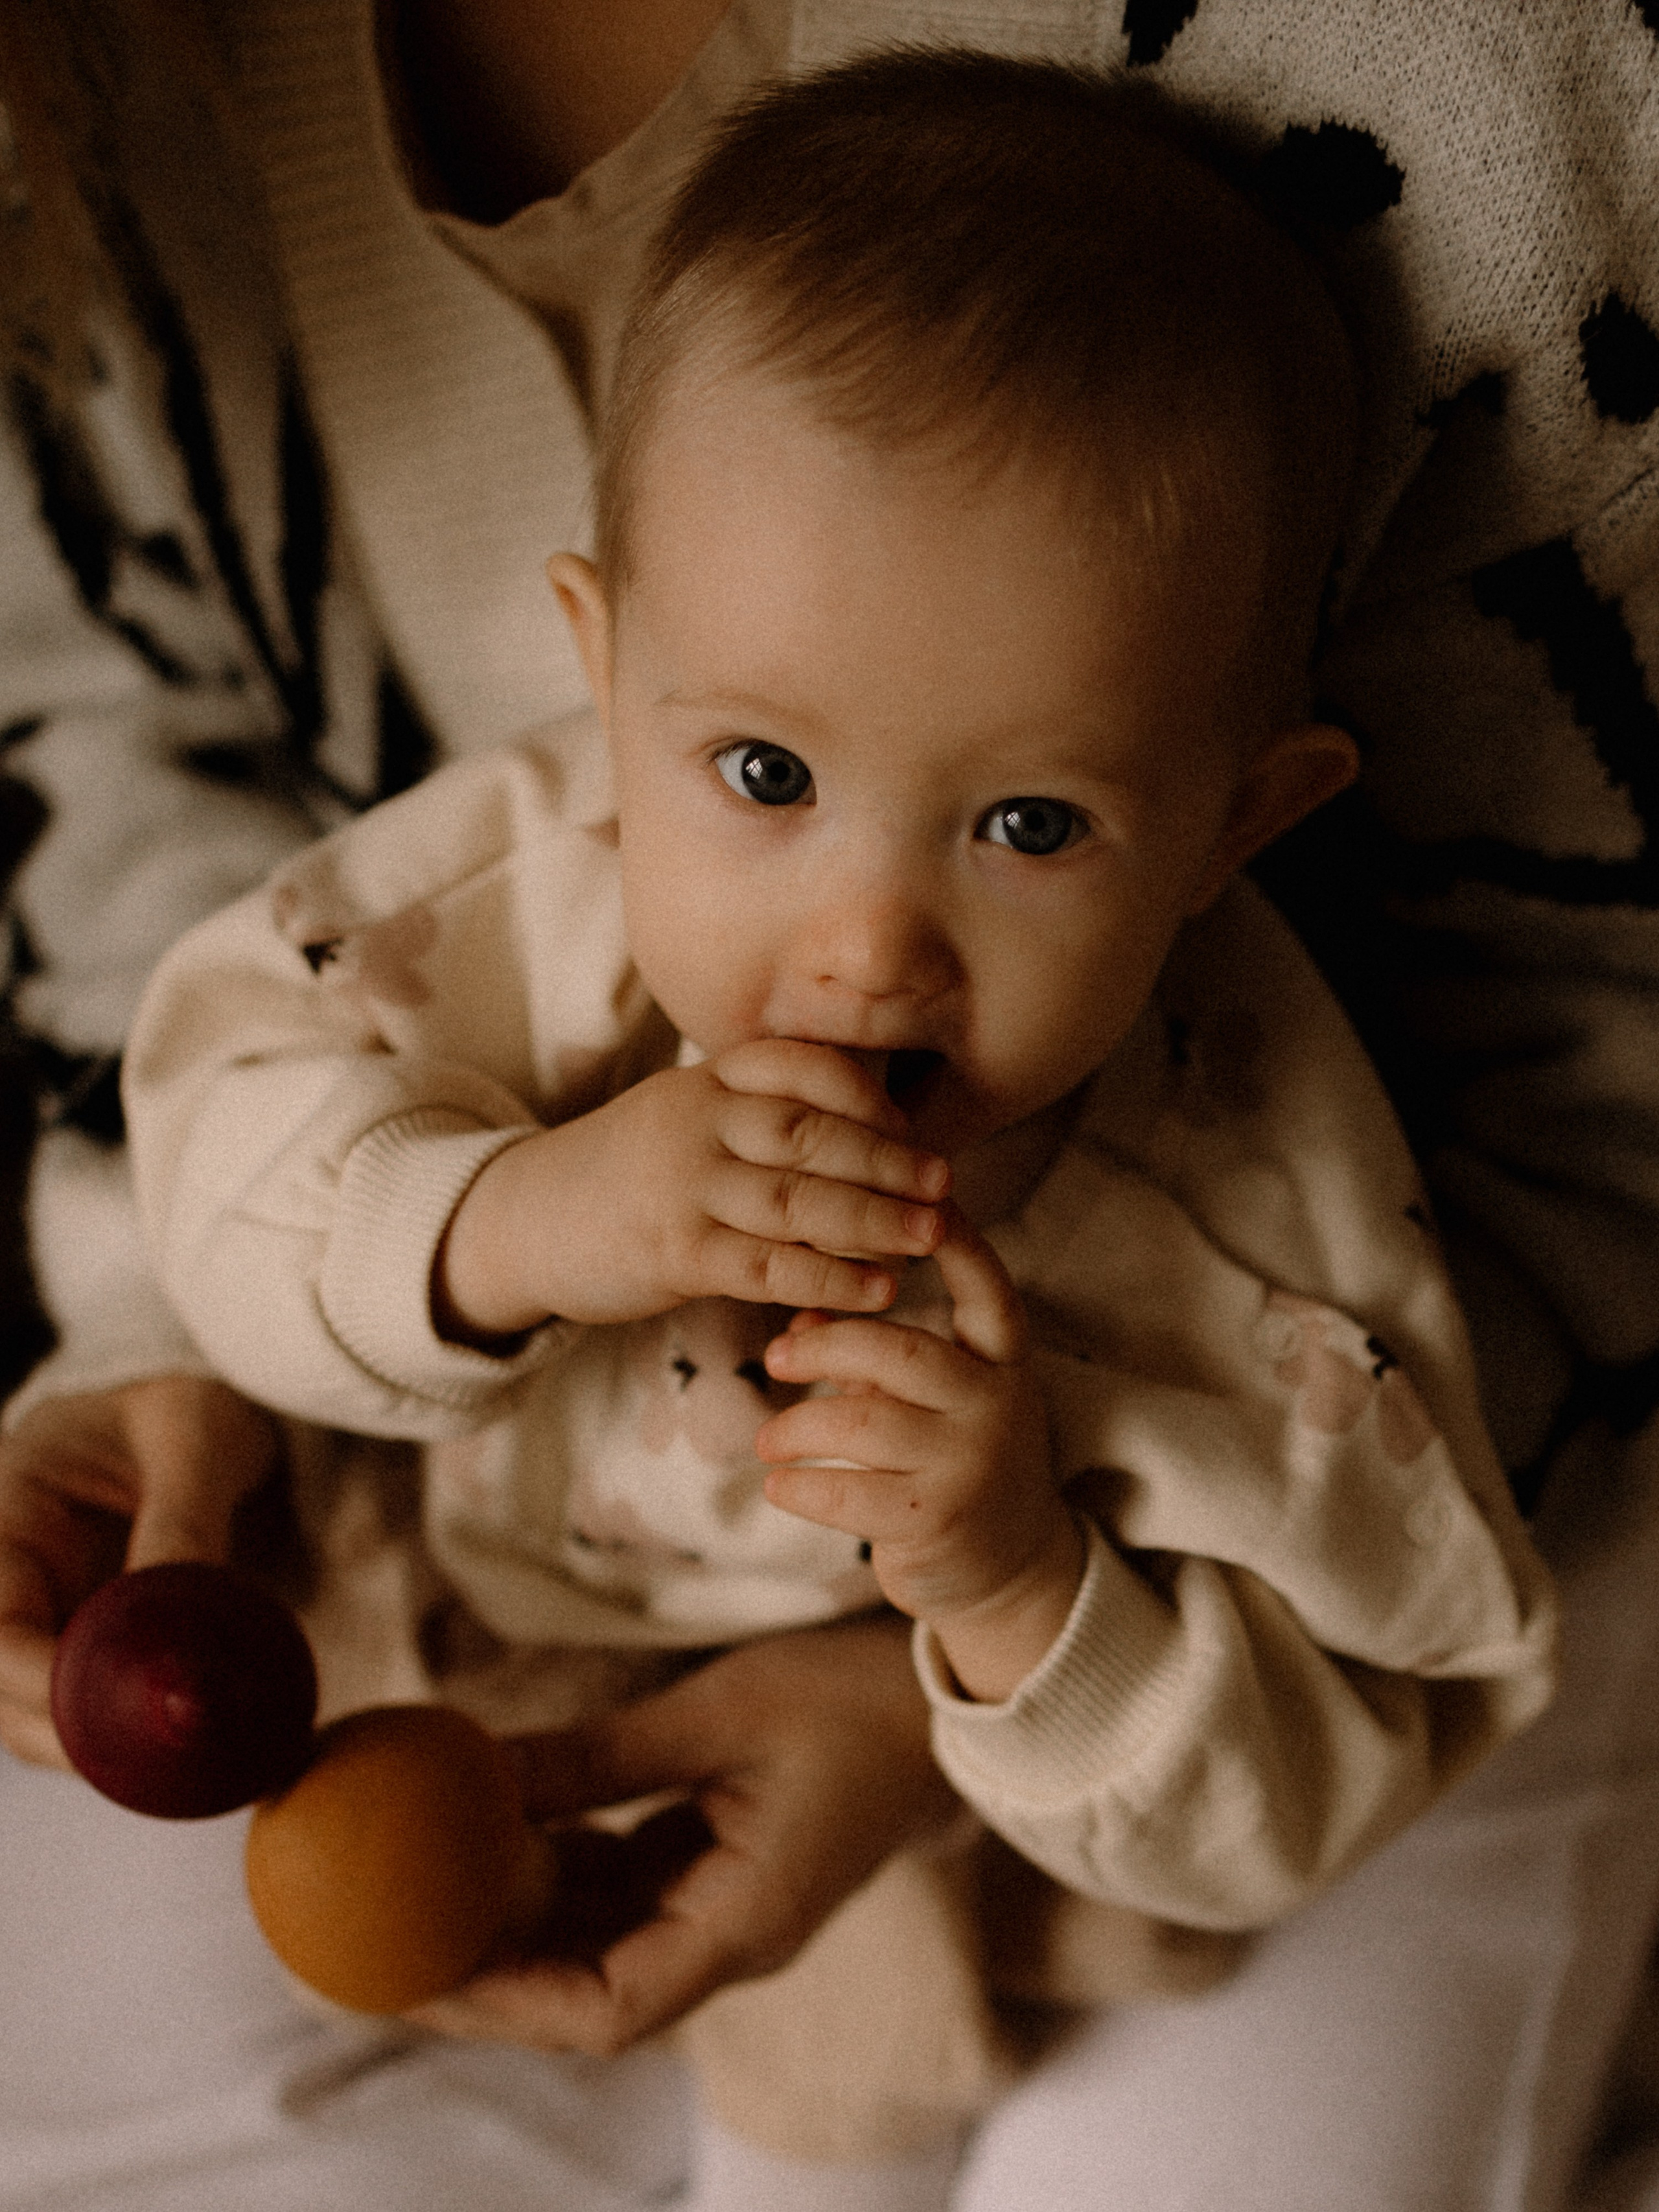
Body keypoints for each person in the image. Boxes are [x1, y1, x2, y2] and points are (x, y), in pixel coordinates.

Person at [2, 5, 1658, 2209]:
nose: (873, 944)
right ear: (598, 671)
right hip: (495, 1621)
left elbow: (1349, 1733)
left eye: (1036, 826)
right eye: (763, 778)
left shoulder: (1261, 1225)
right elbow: (207, 1102)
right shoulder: (510, 901)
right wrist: (511, 1222)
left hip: (983, 1811)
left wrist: (1011, 1584)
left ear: (1243, 823)